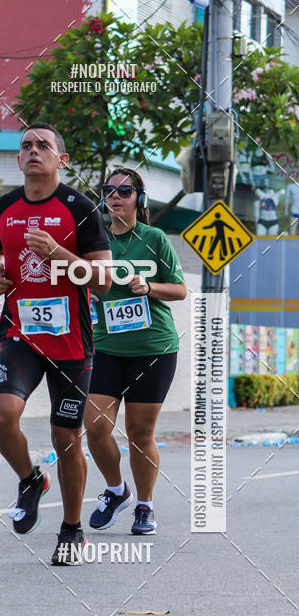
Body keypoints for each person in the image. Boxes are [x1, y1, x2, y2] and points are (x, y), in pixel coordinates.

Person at [0, 123, 112, 564]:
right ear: (19, 161)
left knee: (66, 439)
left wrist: (59, 253)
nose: (34, 150)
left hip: (72, 343)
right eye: (26, 146)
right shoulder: (3, 206)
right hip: (20, 334)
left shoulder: (80, 208)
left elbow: (103, 276)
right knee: (2, 414)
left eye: (44, 145)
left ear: (61, 159)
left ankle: (72, 528)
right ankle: (29, 479)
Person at [84, 168, 186, 536]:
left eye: (124, 190)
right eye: (109, 190)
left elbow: (180, 290)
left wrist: (150, 287)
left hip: (153, 348)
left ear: (139, 198)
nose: (115, 195)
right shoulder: (93, 240)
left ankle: (145, 506)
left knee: (139, 433)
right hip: (107, 347)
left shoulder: (154, 238)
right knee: (95, 427)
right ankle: (116, 490)